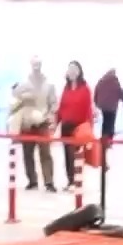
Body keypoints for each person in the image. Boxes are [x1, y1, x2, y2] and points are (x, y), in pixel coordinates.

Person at [12, 57, 59, 192]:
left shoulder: (49, 85)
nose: (36, 66)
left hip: (42, 122)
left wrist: (50, 114)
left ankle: (49, 182)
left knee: (45, 153)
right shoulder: (24, 84)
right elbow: (15, 100)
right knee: (27, 153)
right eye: (34, 64)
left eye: (38, 64)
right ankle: (32, 180)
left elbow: (53, 103)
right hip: (27, 123)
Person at [56, 60, 93, 191]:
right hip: (65, 127)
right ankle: (70, 181)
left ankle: (76, 181)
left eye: (74, 69)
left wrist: (89, 128)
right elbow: (61, 108)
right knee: (67, 155)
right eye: (70, 69)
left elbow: (88, 110)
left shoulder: (85, 89)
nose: (72, 71)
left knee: (75, 155)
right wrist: (56, 123)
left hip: (78, 127)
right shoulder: (66, 88)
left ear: (79, 72)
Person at [94, 68, 123, 147]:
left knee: (105, 122)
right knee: (111, 123)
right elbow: (119, 92)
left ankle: (104, 140)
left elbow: (96, 91)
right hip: (112, 107)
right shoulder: (115, 81)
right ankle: (109, 141)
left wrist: (96, 102)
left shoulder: (101, 80)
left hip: (103, 106)